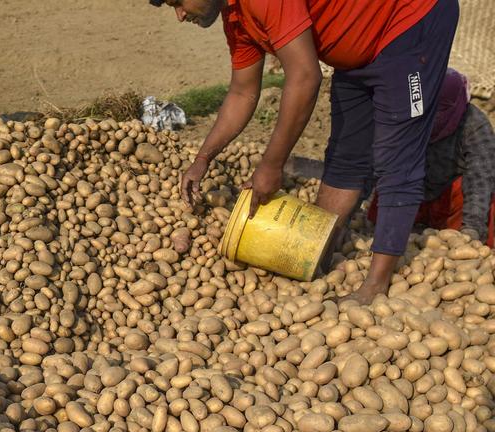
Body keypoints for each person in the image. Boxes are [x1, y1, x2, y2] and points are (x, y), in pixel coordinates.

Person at [155, 0, 460, 304]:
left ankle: (375, 286)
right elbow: (242, 92)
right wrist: (203, 158)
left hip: (410, 21)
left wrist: (271, 166)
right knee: (346, 154)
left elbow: (305, 77)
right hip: (359, 44)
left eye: (178, 1)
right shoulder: (236, 17)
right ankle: (319, 251)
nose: (180, 15)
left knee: (397, 157)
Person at [367, 69, 495, 245]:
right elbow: (380, 160)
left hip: (449, 201)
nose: (435, 116)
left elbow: (480, 179)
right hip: (410, 192)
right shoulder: (406, 114)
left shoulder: (473, 124)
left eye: (442, 109)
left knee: (483, 202)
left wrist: (471, 230)